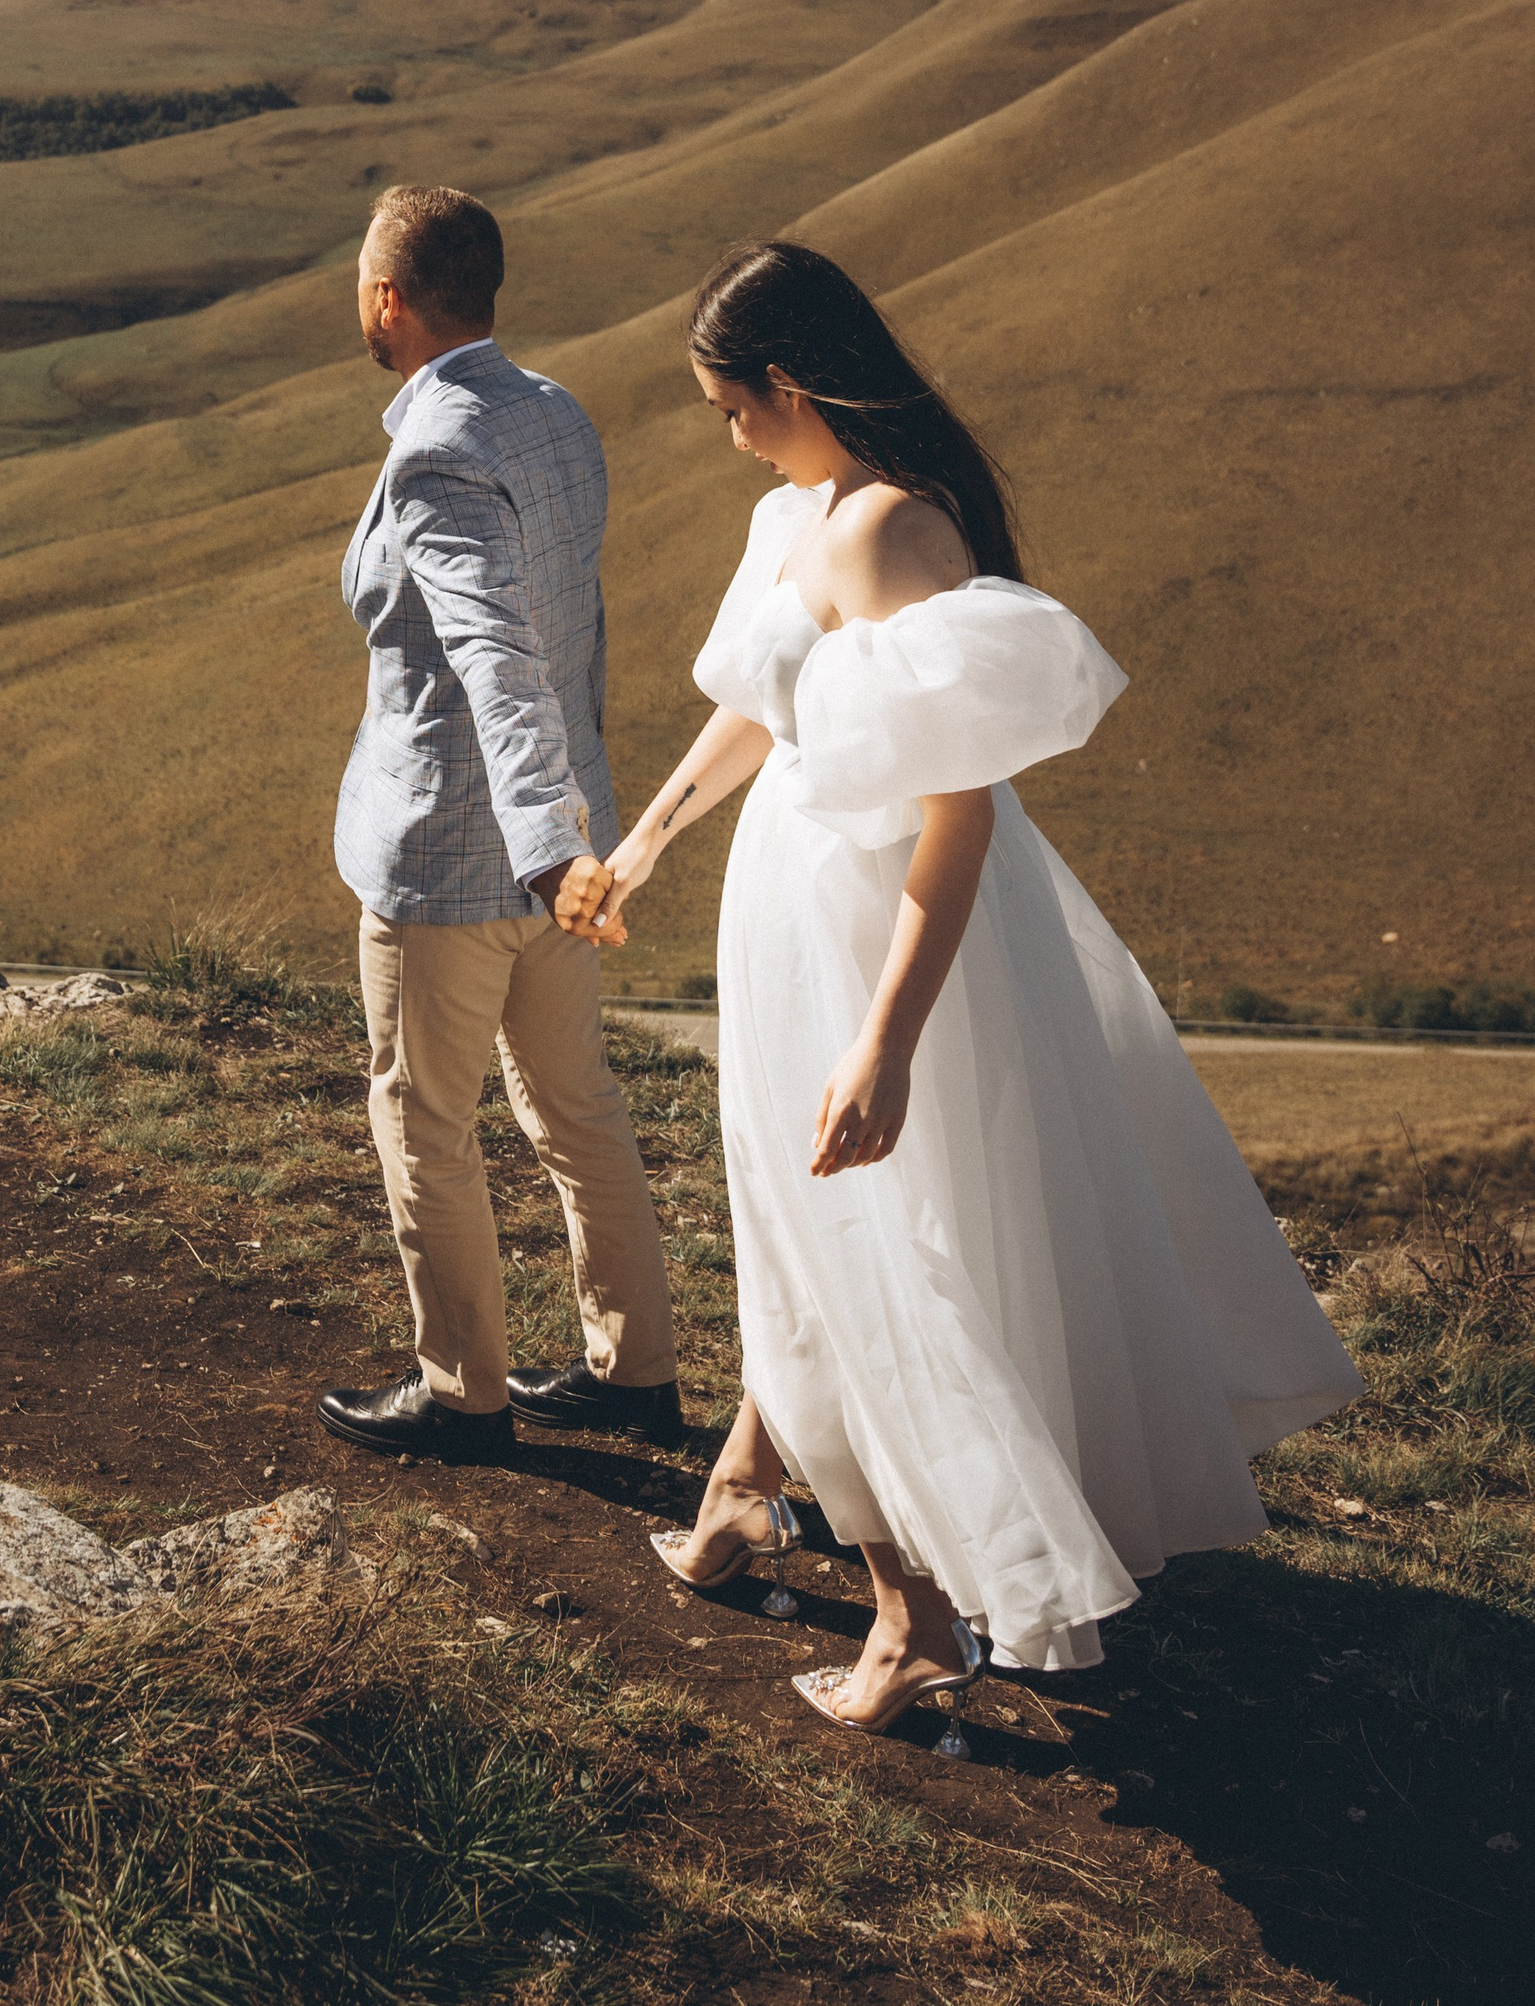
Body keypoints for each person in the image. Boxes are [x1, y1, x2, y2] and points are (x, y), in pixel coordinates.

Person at [554, 240, 1358, 1737]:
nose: (725, 431)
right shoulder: (794, 511)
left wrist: (888, 1041)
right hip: (788, 916)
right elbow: (763, 699)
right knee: (798, 1229)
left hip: (877, 940)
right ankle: (745, 1488)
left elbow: (959, 812)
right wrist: (649, 840)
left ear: (790, 384)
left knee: (880, 1248)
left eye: (731, 404)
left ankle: (916, 1618)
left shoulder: (889, 538)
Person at [316, 183, 682, 1467]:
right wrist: (575, 831)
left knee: (423, 1121)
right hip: (564, 849)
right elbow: (573, 629)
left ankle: (461, 1390)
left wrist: (539, 844)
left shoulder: (436, 448)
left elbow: (495, 655)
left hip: (466, 866)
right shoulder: (554, 412)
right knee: (576, 1108)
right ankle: (633, 1369)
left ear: (388, 302)